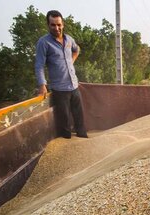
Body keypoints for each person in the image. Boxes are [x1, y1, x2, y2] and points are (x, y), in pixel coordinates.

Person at [35, 10, 88, 139]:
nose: (56, 28)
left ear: (63, 24)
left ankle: (83, 140)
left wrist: (71, 60)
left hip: (74, 85)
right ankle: (67, 147)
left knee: (80, 119)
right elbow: (39, 65)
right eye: (53, 25)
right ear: (48, 25)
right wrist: (42, 85)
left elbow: (77, 49)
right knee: (64, 123)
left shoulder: (69, 39)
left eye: (59, 24)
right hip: (60, 89)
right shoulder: (44, 42)